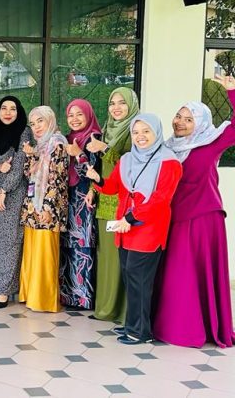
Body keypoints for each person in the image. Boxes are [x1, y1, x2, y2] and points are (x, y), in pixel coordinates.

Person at [153, 74, 235, 348]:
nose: (180, 122)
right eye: (178, 116)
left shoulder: (211, 142)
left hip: (202, 219)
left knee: (190, 274)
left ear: (200, 124)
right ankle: (171, 327)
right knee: (175, 276)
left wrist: (232, 91)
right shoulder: (167, 147)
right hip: (174, 218)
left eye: (189, 119)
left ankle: (193, 330)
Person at [87, 114, 182, 345]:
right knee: (130, 278)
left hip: (149, 229)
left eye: (146, 131)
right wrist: (97, 179)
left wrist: (131, 217)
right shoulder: (128, 159)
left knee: (140, 280)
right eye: (136, 132)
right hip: (125, 228)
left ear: (156, 133)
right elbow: (113, 187)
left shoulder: (169, 162)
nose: (140, 136)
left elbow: (161, 200)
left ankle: (141, 332)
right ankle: (133, 324)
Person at [85, 87, 140, 323]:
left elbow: (130, 164)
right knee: (106, 255)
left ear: (132, 105)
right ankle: (106, 308)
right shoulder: (107, 130)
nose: (116, 107)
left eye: (122, 103)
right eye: (112, 103)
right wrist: (92, 189)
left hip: (124, 202)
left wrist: (105, 148)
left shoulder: (135, 131)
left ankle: (123, 311)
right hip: (105, 199)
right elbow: (100, 167)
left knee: (122, 258)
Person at [0, 96, 31, 309]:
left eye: (13, 109)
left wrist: (4, 190)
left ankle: (4, 291)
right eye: (4, 108)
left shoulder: (23, 132)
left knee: (10, 241)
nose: (8, 112)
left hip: (12, 193)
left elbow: (19, 166)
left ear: (19, 112)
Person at [19, 106, 69, 313]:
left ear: (50, 121)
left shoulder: (57, 144)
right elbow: (29, 174)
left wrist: (47, 207)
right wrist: (31, 155)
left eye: (40, 121)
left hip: (48, 208)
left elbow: (57, 179)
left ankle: (43, 300)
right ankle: (30, 295)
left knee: (45, 255)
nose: (37, 127)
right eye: (33, 123)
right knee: (33, 253)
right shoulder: (40, 146)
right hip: (33, 206)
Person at [60, 99, 102, 310]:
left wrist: (78, 154)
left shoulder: (95, 138)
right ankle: (67, 296)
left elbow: (94, 173)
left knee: (83, 247)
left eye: (79, 114)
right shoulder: (67, 139)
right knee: (67, 246)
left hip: (85, 198)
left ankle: (84, 298)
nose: (74, 119)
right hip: (67, 199)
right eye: (70, 115)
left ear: (88, 115)